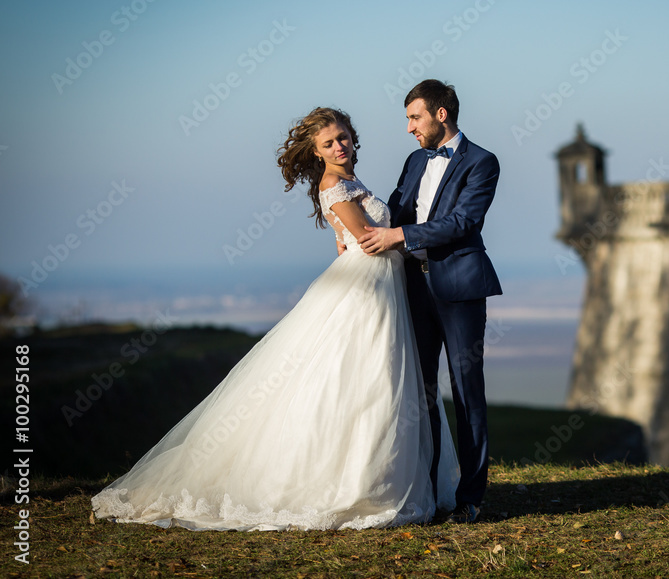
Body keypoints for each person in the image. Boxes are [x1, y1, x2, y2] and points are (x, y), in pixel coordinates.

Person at [90, 107, 459, 531]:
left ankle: (382, 477)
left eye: (342, 137)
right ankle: (346, 484)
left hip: (377, 286)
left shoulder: (350, 181)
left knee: (380, 380)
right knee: (359, 377)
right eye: (328, 143)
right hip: (365, 289)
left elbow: (347, 239)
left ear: (353, 138)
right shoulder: (334, 183)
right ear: (317, 152)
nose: (339, 146)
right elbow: (368, 241)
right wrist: (425, 245)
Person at [358, 80, 502, 524]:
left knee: (465, 391)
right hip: (411, 290)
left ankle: (471, 497)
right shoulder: (414, 159)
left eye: (414, 117)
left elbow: (462, 222)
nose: (408, 128)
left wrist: (399, 236)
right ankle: (430, 491)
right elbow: (397, 211)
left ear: (442, 114)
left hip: (459, 290)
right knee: (419, 394)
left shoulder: (482, 162)